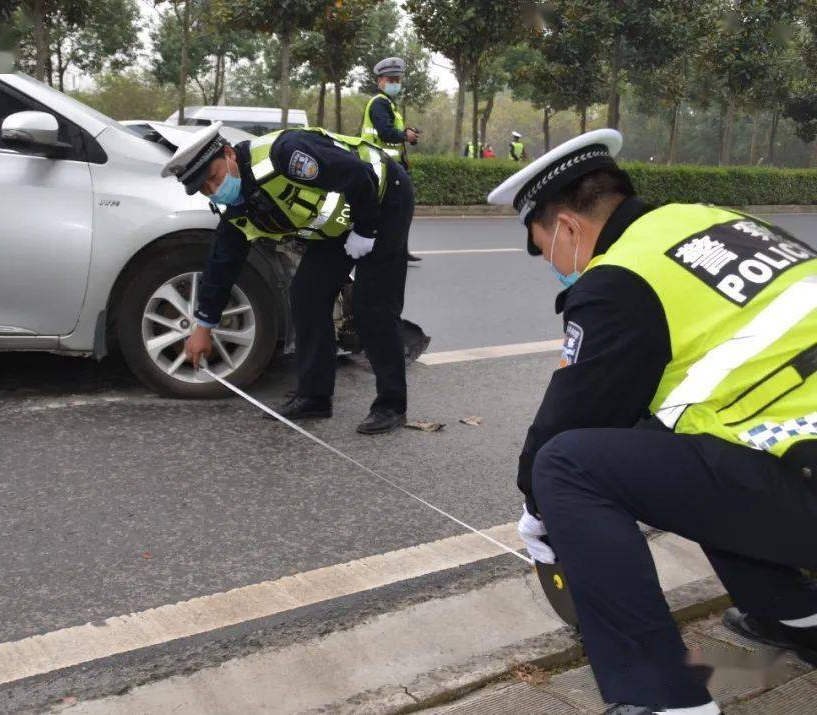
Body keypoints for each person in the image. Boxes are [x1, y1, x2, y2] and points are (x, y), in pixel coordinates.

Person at [487, 128, 817, 715]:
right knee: (691, 439)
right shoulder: (713, 221)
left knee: (565, 468)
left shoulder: (620, 278)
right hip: (801, 453)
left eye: (542, 247)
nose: (550, 264)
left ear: (566, 226)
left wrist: (535, 508)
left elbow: (569, 419)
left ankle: (663, 699)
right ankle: (799, 616)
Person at [161, 121, 415, 435]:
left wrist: (366, 231)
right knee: (307, 296)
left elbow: (358, 174)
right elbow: (221, 266)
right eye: (205, 189)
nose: (214, 191)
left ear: (228, 153)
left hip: (382, 197)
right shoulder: (238, 208)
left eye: (214, 178)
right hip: (339, 224)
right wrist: (204, 327)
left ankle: (391, 404)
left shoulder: (286, 154)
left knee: (372, 306)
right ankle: (314, 397)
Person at [361, 57, 422, 263]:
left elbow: (393, 134)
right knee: (396, 210)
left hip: (391, 165)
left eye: (397, 80)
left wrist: (407, 135)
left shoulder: (388, 104)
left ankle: (400, 251)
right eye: (391, 79)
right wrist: (405, 135)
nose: (395, 83)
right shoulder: (379, 103)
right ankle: (389, 252)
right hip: (380, 165)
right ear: (380, 81)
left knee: (400, 210)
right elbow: (386, 133)